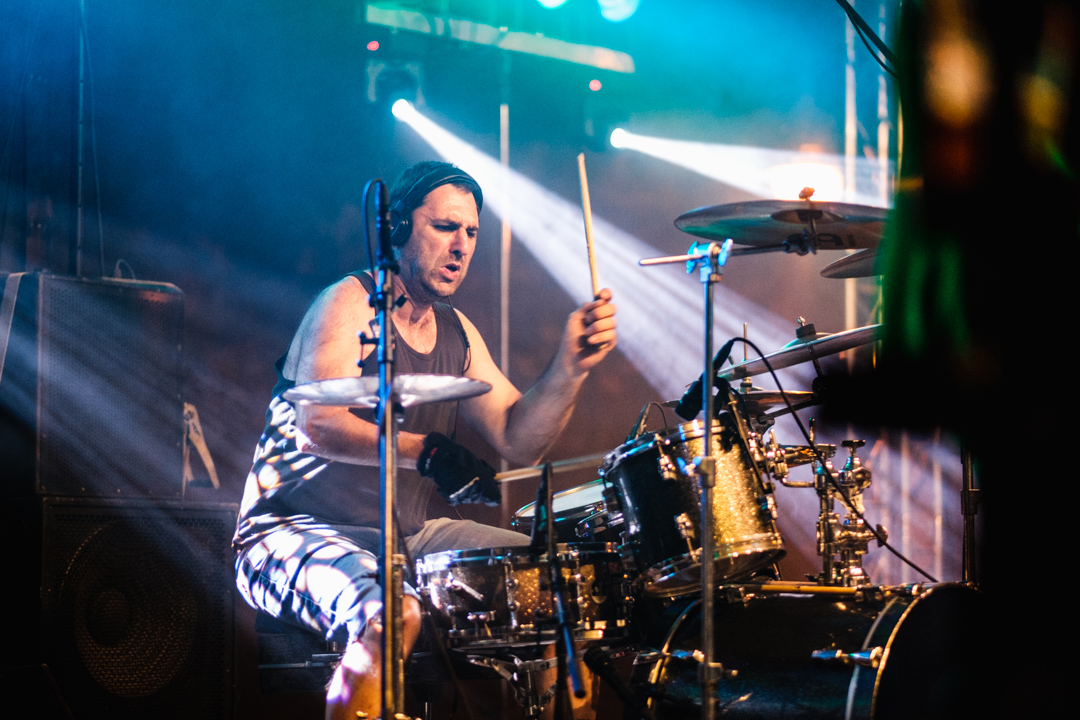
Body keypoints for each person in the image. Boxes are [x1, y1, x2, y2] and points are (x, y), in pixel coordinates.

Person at [232, 161, 617, 719]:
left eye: (472, 233)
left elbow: (519, 439)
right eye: (445, 227)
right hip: (289, 531)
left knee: (555, 588)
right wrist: (427, 451)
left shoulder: (456, 331)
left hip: (406, 537)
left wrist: (570, 367)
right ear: (398, 228)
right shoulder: (349, 301)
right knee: (391, 615)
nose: (461, 246)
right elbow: (316, 426)